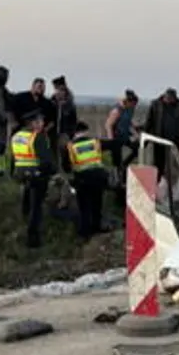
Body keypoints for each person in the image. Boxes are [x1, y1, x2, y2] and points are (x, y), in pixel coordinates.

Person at [9, 111, 55, 248]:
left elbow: (13, 157)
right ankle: (33, 239)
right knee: (36, 208)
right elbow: (46, 160)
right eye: (40, 121)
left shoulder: (17, 136)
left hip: (21, 173)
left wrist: (14, 173)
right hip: (37, 174)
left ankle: (22, 224)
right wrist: (52, 171)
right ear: (33, 123)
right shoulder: (37, 137)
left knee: (27, 203)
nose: (42, 124)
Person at [66, 121, 109, 241]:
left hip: (82, 179)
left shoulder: (70, 146)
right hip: (98, 177)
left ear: (74, 133)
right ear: (86, 131)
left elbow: (66, 166)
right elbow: (110, 145)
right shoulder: (95, 142)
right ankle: (97, 227)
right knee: (97, 204)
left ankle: (85, 233)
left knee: (84, 206)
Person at [104, 89, 140, 170]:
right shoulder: (117, 110)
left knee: (137, 149)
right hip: (116, 136)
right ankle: (118, 171)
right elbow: (108, 125)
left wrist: (135, 130)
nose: (134, 106)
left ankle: (124, 164)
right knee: (117, 159)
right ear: (128, 102)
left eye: (135, 104)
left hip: (125, 135)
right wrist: (111, 140)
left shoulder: (131, 109)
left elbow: (128, 120)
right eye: (133, 104)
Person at [50, 76, 78, 171]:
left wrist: (70, 133)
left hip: (65, 132)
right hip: (53, 131)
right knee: (53, 150)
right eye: (56, 89)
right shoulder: (52, 102)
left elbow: (73, 121)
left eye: (61, 90)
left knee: (64, 148)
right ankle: (55, 169)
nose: (58, 92)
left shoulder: (70, 105)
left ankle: (66, 167)